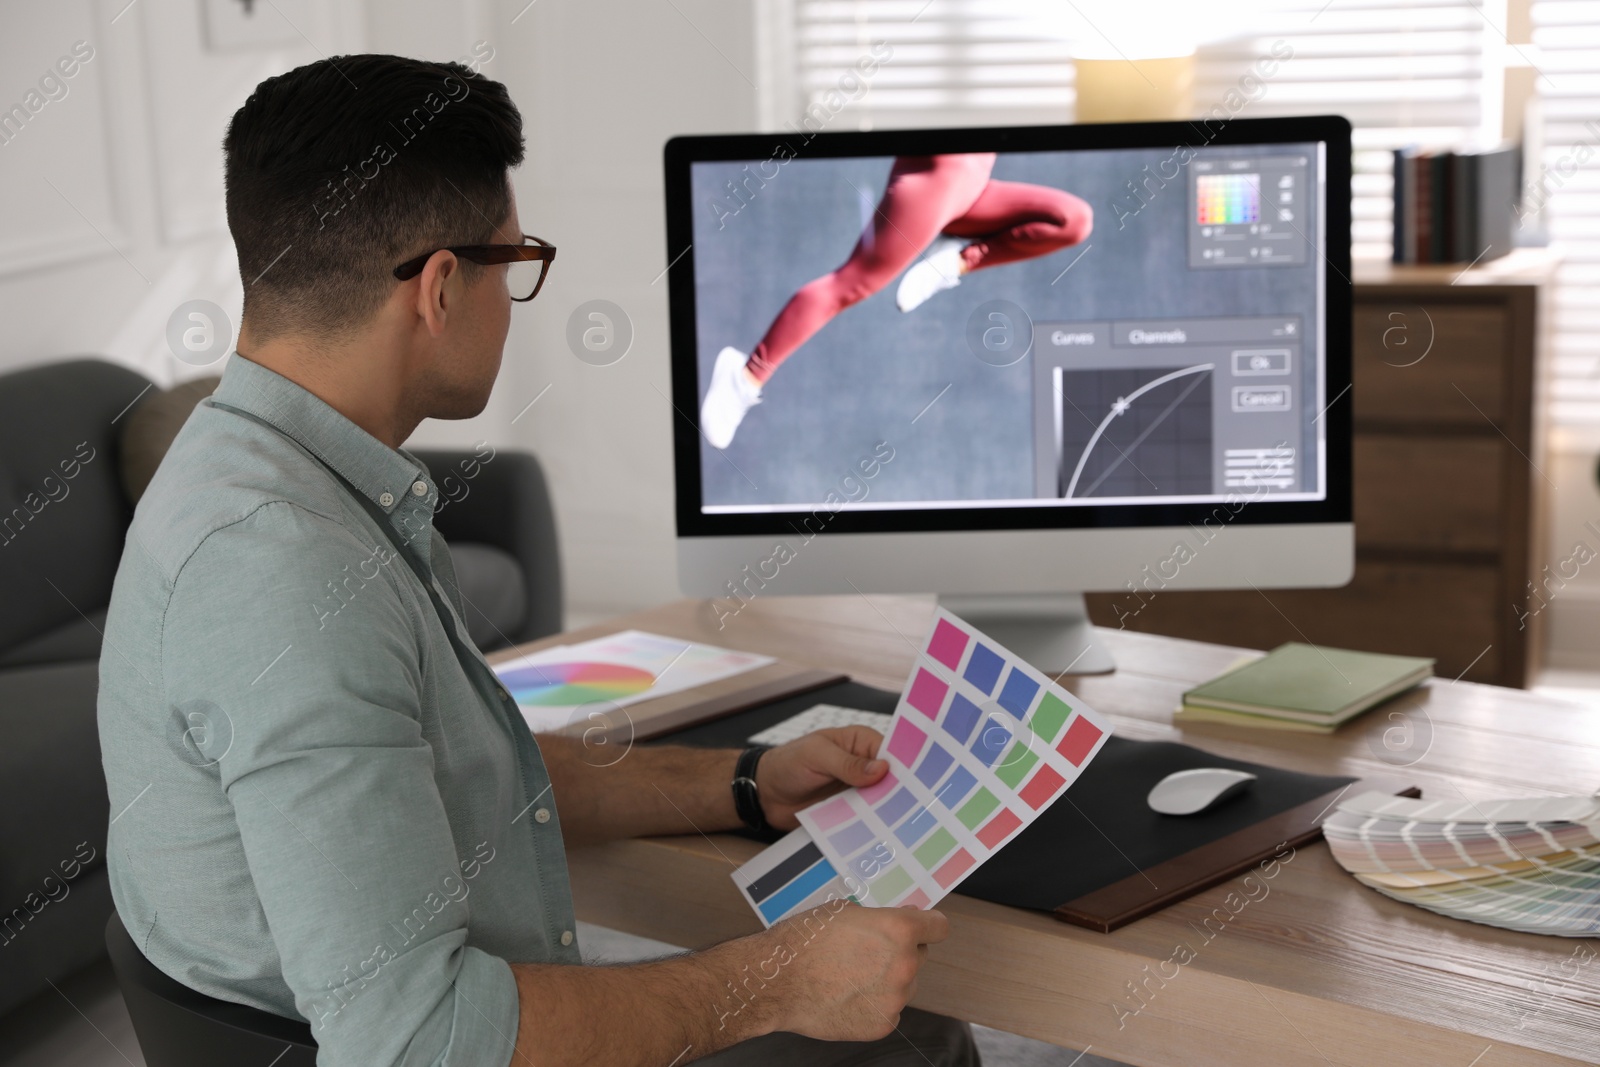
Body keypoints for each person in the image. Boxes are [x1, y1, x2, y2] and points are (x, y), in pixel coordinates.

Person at [97, 55, 975, 1067]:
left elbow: (458, 769)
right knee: (911, 1043)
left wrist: (745, 783)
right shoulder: (283, 568)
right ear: (437, 287)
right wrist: (775, 978)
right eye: (513, 264)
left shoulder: (278, 470)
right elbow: (417, 1038)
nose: (516, 297)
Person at [700, 153, 1093, 448]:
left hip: (971, 193)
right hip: (932, 186)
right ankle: (745, 375)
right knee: (849, 285)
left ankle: (953, 262)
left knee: (1074, 219)